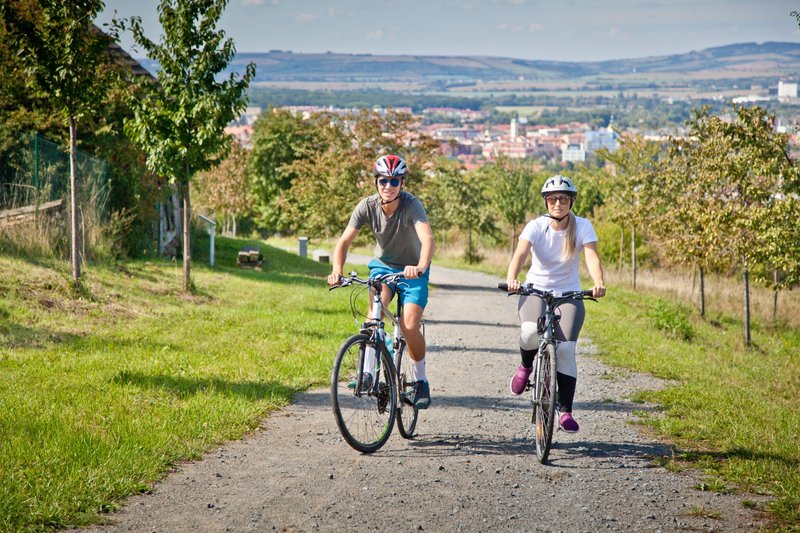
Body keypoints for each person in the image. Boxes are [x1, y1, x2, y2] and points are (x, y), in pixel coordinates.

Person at [327, 155, 435, 409]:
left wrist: (420, 266)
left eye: (394, 181)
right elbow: (343, 242)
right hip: (383, 267)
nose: (388, 186)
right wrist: (337, 270)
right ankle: (367, 373)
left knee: (409, 325)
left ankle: (421, 381)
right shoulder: (366, 206)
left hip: (413, 270)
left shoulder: (412, 205)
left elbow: (427, 238)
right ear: (376, 181)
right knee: (373, 317)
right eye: (384, 180)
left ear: (402, 183)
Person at [504, 174, 606, 433]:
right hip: (535, 289)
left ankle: (565, 411)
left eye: (562, 199)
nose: (557, 203)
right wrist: (512, 279)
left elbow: (592, 257)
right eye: (552, 199)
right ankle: (526, 366)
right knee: (528, 332)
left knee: (565, 350)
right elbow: (521, 254)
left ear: (571, 202)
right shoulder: (537, 226)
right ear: (546, 202)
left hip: (569, 293)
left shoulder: (582, 225)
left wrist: (598, 282)